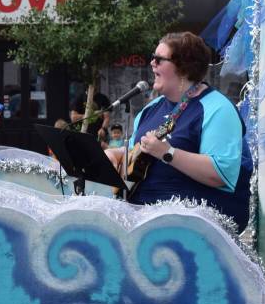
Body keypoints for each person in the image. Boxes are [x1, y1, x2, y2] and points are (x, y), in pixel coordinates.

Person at [107, 32, 250, 230]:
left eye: (158, 59)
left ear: (183, 67)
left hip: (193, 232)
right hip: (141, 225)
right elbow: (135, 153)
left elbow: (221, 173)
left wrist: (167, 153)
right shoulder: (151, 108)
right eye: (152, 57)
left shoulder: (217, 108)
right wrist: (113, 155)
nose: (152, 63)